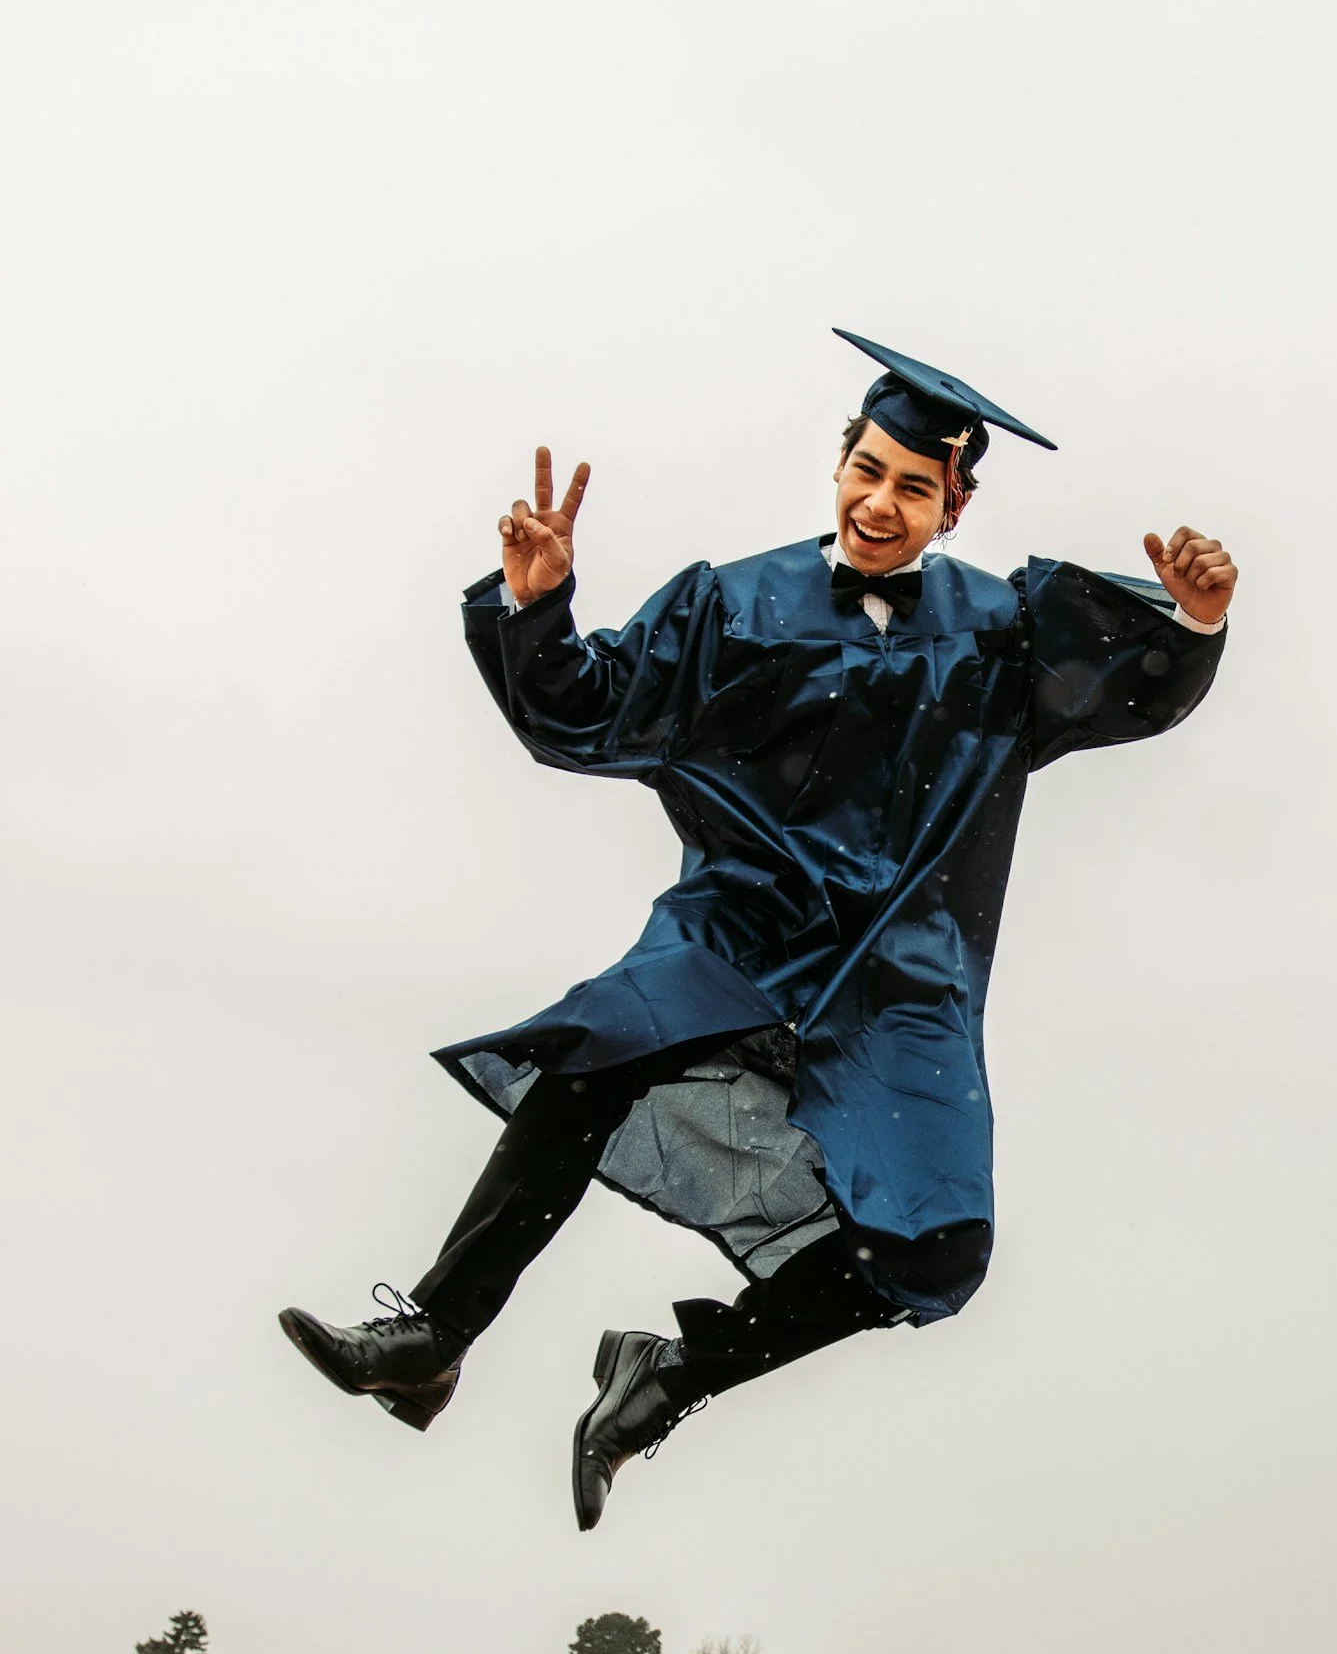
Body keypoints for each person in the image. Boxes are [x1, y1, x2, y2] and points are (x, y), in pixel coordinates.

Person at [280, 330, 1239, 1531]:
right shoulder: (736, 605)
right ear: (839, 462)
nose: (879, 503)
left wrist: (1194, 624)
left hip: (899, 973)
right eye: (866, 470)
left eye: (912, 486)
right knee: (593, 1055)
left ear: (954, 503)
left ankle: (669, 1374)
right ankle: (433, 1334)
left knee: (935, 1249)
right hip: (745, 921)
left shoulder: (1001, 630)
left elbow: (1129, 685)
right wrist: (538, 606)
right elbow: (580, 711)